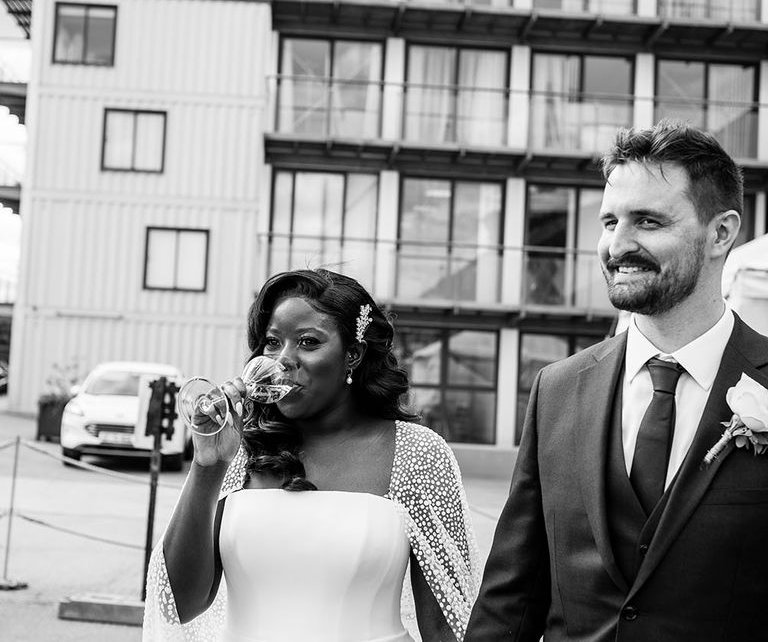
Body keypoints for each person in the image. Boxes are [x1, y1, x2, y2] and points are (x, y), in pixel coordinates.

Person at [465, 120, 768, 641]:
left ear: (721, 232)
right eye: (609, 222)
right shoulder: (557, 390)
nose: (617, 245)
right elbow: (511, 595)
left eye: (647, 222)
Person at [143, 268, 480, 642]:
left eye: (307, 342)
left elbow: (447, 625)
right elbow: (177, 606)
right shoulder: (242, 451)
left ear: (353, 354)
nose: (282, 360)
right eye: (272, 342)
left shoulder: (417, 453)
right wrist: (208, 465)